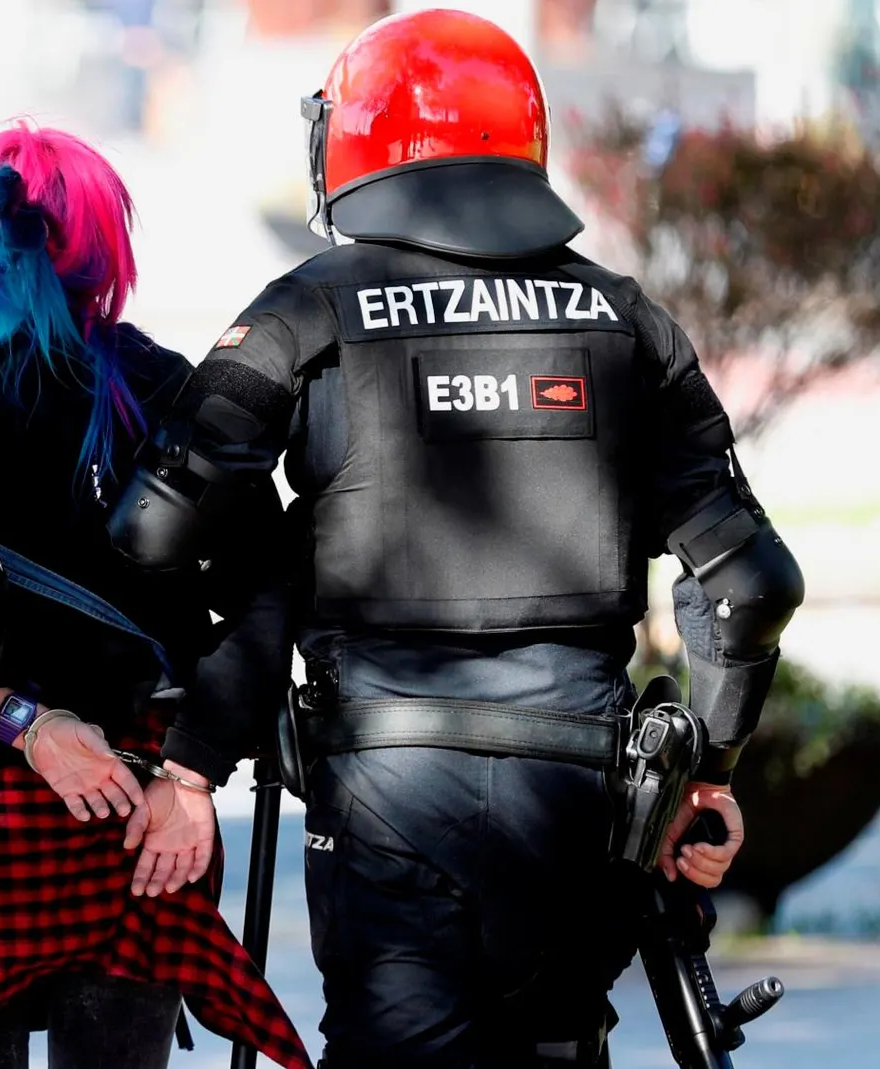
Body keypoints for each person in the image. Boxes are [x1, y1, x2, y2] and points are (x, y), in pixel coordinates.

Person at [107, 11, 805, 1068]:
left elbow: (157, 527)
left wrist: (278, 576)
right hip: (583, 804)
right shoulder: (625, 320)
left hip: (390, 795)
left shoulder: (309, 309)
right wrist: (701, 771)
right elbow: (748, 583)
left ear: (350, 141)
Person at [0, 122, 312, 1069]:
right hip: (135, 819)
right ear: (108, 254)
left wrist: (22, 718)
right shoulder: (168, 393)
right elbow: (266, 602)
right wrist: (190, 777)